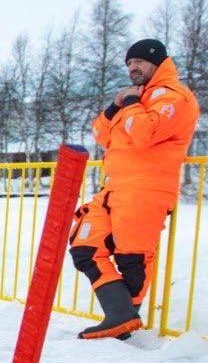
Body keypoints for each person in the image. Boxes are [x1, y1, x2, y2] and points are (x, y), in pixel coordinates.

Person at [70, 38, 200, 340]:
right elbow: (100, 134)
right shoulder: (136, 99)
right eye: (129, 63)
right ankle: (121, 316)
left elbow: (144, 134)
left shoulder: (175, 96)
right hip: (115, 189)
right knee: (84, 247)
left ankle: (121, 324)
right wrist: (117, 104)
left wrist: (129, 104)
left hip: (147, 189)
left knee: (132, 259)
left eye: (138, 62)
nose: (132, 68)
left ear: (157, 62)